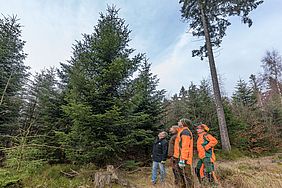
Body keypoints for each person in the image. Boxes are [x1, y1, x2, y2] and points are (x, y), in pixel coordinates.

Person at [173, 118, 194, 188]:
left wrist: (183, 159)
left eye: (179, 121)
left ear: (183, 123)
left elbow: (185, 147)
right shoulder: (181, 131)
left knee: (187, 175)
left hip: (184, 158)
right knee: (181, 175)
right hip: (179, 157)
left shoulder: (185, 132)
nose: (178, 122)